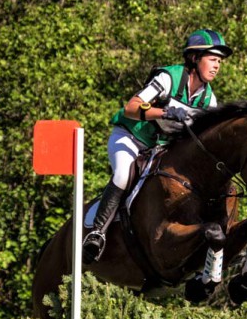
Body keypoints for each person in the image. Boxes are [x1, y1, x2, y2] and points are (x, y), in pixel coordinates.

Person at [82, 28, 233, 264]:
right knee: (123, 174)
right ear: (195, 58)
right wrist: (164, 112)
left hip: (159, 148)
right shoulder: (169, 77)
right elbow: (132, 107)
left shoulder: (209, 99)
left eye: (219, 62)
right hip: (130, 138)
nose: (217, 66)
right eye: (212, 59)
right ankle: (97, 233)